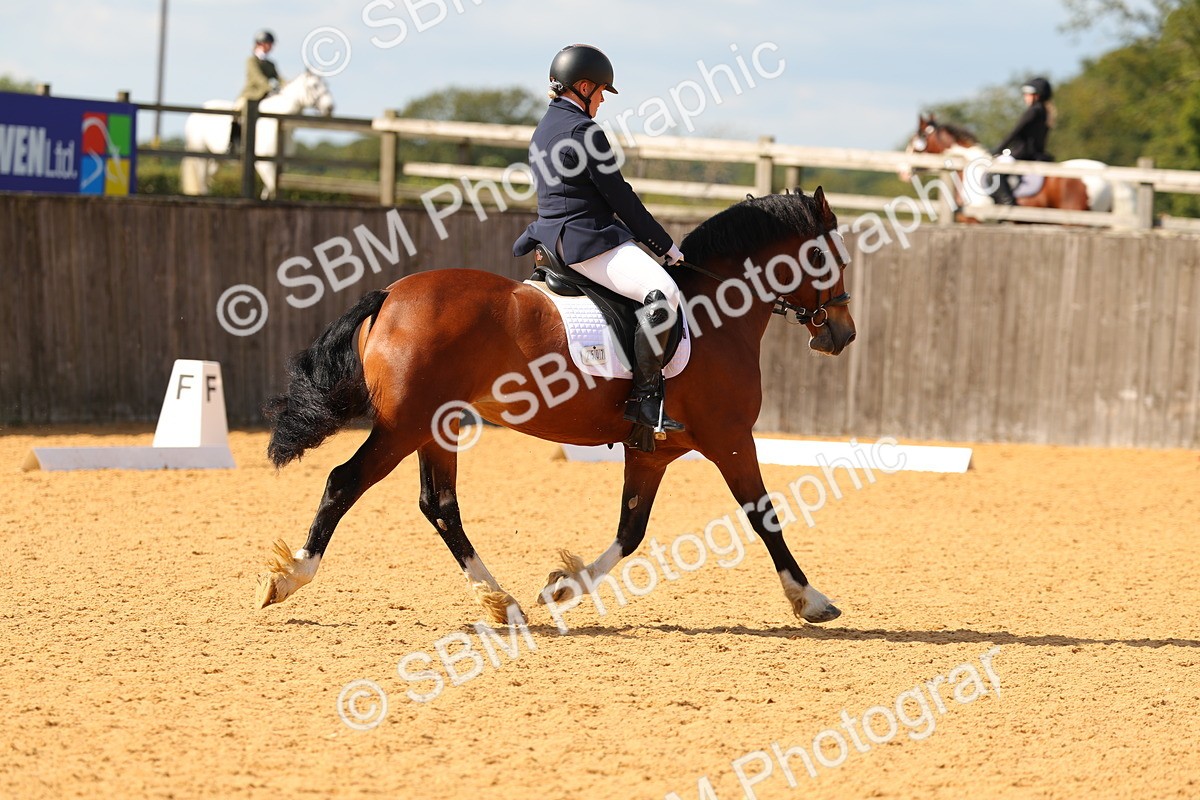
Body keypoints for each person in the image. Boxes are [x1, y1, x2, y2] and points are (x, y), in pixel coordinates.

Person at [513, 44, 687, 450]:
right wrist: (665, 246)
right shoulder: (584, 131)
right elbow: (620, 198)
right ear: (585, 86)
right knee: (664, 293)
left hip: (549, 236)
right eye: (602, 92)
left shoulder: (544, 128)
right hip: (586, 240)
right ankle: (646, 404)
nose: (603, 101)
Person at [989, 77, 1056, 205]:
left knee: (995, 171)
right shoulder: (1046, 112)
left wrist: (998, 150)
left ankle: (1008, 202)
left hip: (1023, 154)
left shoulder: (1033, 111)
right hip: (1038, 154)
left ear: (1037, 96)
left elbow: (1015, 132)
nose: (1025, 97)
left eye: (1028, 94)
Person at [230, 30, 282, 154]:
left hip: (266, 97)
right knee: (238, 110)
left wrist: (289, 85)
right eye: (269, 44)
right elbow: (257, 77)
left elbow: (279, 78)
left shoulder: (271, 64)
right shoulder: (251, 60)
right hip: (250, 95)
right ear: (261, 44)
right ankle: (232, 143)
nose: (271, 47)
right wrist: (269, 87)